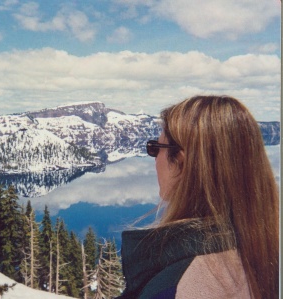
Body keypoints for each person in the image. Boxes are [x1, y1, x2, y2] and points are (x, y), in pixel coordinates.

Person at [116, 96, 279, 299]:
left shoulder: (174, 287)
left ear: (181, 162)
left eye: (155, 148)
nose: (154, 158)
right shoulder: (262, 253)